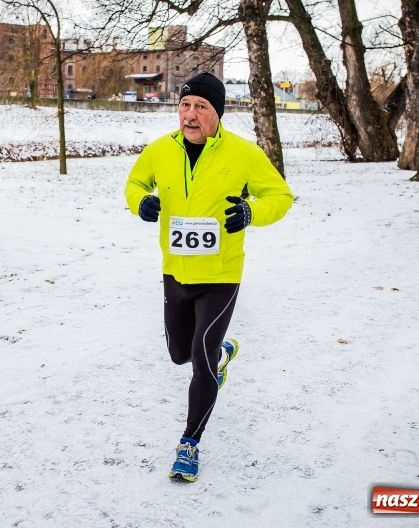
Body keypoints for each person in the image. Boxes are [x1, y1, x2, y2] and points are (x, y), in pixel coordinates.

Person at [124, 72, 294, 482]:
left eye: (202, 106)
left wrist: (253, 212)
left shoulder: (243, 153)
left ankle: (189, 443)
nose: (191, 114)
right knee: (180, 354)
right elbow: (135, 183)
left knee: (201, 357)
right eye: (185, 105)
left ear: (217, 113)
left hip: (221, 275)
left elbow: (280, 196)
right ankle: (220, 355)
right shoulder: (160, 150)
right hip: (175, 272)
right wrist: (140, 203)